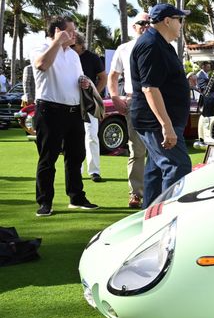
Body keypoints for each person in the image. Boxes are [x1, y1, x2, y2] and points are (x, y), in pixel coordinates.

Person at [30, 16, 98, 216]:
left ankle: (76, 198)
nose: (75, 33)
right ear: (59, 31)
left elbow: (77, 78)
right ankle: (45, 202)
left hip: (73, 111)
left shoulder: (73, 55)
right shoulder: (41, 48)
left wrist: (83, 83)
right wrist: (57, 43)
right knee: (47, 159)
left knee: (75, 157)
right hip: (49, 111)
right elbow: (42, 65)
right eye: (71, 30)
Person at [129, 3, 192, 208]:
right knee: (177, 165)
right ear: (167, 21)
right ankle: (168, 218)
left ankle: (151, 217)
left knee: (156, 170)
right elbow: (150, 88)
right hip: (156, 121)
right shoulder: (151, 44)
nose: (181, 24)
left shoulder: (161, 43)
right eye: (179, 19)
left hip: (160, 120)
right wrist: (166, 125)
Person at [108, 12, 151, 208]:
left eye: (149, 22)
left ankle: (157, 192)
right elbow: (113, 76)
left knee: (160, 147)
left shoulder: (162, 46)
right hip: (134, 100)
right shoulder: (124, 49)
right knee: (137, 148)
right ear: (134, 27)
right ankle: (136, 193)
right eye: (141, 23)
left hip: (157, 101)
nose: (145, 25)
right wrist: (115, 97)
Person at [72, 37, 107, 183]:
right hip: (71, 103)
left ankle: (94, 171)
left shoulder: (93, 58)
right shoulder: (66, 57)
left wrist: (94, 95)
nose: (71, 47)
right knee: (74, 137)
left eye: (74, 45)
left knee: (92, 135)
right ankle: (75, 171)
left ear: (81, 45)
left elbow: (103, 78)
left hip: (88, 103)